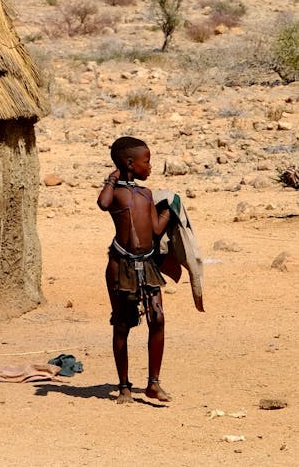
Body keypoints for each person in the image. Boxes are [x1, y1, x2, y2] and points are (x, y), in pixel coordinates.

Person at [97, 136, 172, 404]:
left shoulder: (147, 194)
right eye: (146, 161)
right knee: (122, 324)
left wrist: (170, 210)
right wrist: (112, 178)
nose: (150, 166)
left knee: (158, 319)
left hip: (148, 264)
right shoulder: (116, 194)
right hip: (121, 264)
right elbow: (103, 203)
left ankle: (153, 383)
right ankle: (125, 387)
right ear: (130, 162)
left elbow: (154, 230)